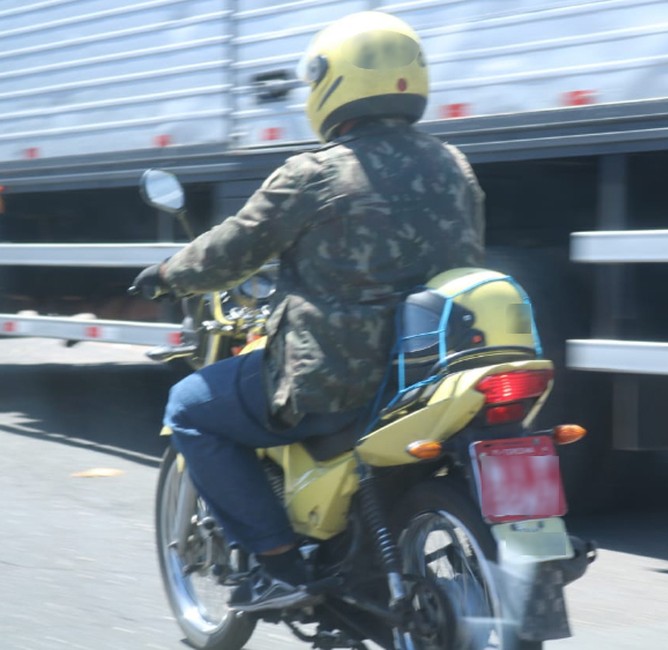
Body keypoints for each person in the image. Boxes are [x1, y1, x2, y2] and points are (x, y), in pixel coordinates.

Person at [132, 11, 484, 612]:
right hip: (427, 372)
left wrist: (168, 274)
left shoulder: (314, 172)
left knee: (189, 407)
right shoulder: (454, 166)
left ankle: (279, 567)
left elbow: (231, 249)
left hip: (337, 378)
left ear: (330, 83)